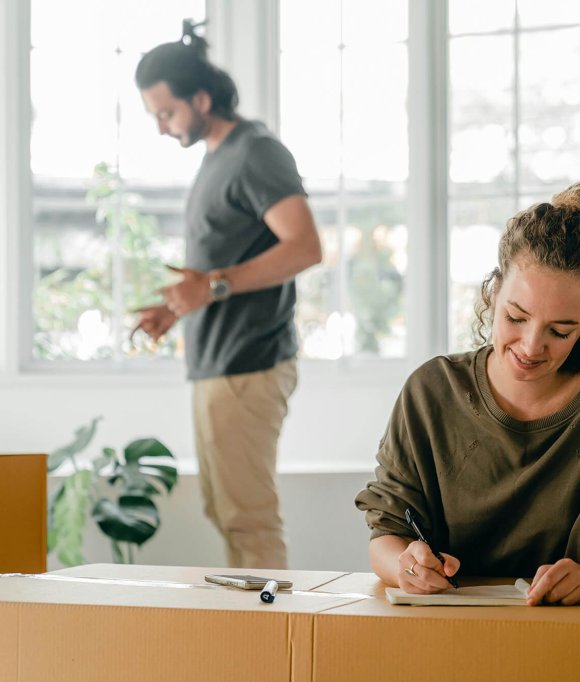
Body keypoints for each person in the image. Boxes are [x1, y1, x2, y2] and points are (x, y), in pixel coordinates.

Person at [355, 177, 580, 605]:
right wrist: (406, 566)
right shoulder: (431, 392)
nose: (530, 346)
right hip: (445, 623)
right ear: (494, 290)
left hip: (568, 626)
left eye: (560, 331)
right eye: (516, 317)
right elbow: (388, 529)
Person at [133, 26, 322, 569]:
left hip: (248, 364)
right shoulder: (217, 157)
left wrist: (211, 286)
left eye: (166, 114)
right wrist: (176, 307)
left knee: (249, 521)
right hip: (217, 367)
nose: (162, 128)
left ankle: (270, 652)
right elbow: (226, 265)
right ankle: (252, 646)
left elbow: (305, 246)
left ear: (201, 99)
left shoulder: (254, 152)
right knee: (226, 515)